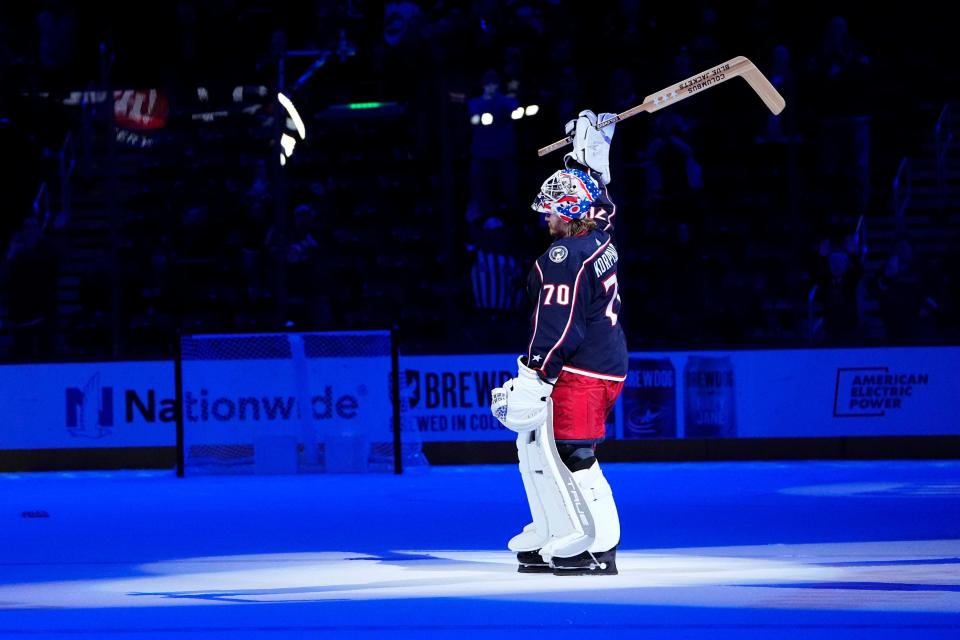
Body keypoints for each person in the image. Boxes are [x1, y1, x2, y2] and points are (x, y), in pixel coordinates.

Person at [490, 111, 626, 575]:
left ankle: (598, 544)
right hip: (602, 362)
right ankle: (553, 529)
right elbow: (601, 205)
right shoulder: (599, 237)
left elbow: (559, 325)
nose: (546, 218)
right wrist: (591, 155)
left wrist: (534, 374)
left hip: (581, 369)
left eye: (552, 210)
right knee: (535, 447)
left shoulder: (562, 257)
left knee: (573, 453)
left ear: (569, 214)